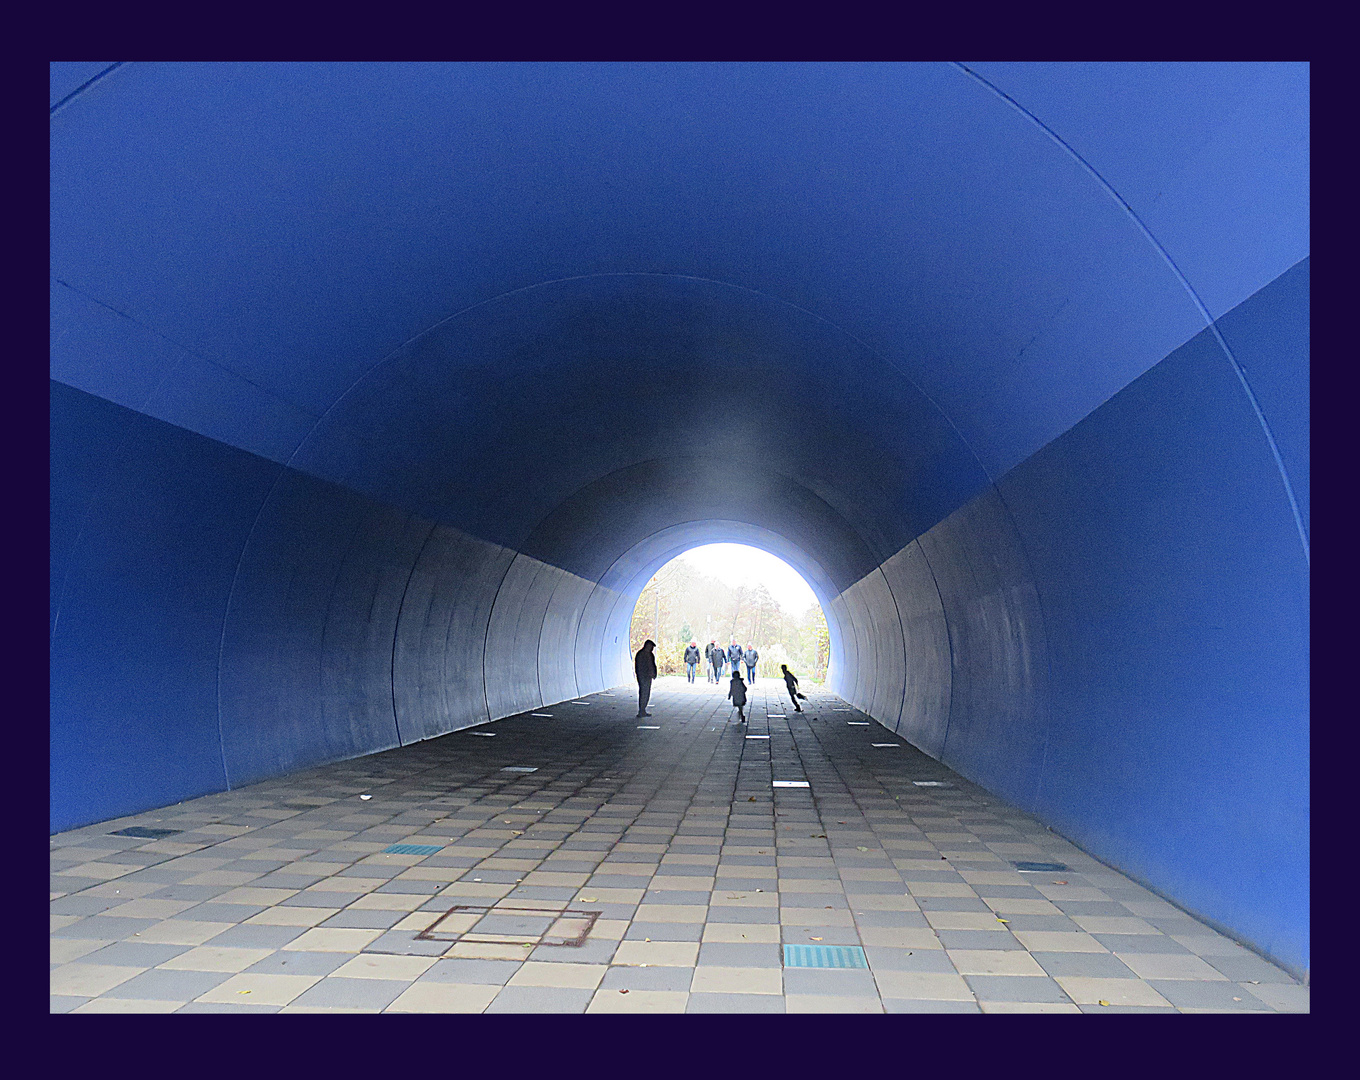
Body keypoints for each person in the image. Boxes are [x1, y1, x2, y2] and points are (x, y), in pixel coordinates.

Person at [635, 639, 658, 718]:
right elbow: (639, 667)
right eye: (651, 647)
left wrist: (654, 674)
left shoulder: (650, 655)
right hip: (643, 677)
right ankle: (641, 710)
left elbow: (652, 665)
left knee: (647, 693)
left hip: (648, 677)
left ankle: (643, 710)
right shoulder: (641, 655)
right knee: (643, 693)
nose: (652, 649)